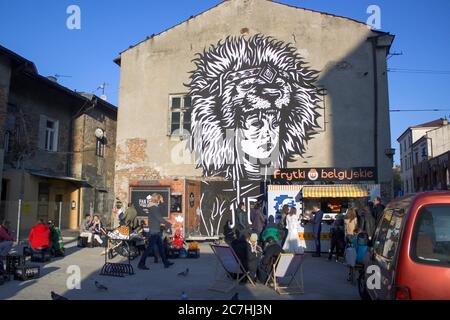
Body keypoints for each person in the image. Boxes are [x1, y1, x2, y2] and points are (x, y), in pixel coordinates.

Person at [138, 193, 174, 270]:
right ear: (156, 199)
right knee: (149, 248)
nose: (160, 200)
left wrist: (162, 201)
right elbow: (159, 218)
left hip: (156, 230)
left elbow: (163, 209)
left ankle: (165, 262)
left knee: (161, 248)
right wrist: (168, 224)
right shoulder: (153, 207)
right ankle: (141, 263)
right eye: (159, 198)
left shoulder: (154, 207)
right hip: (154, 230)